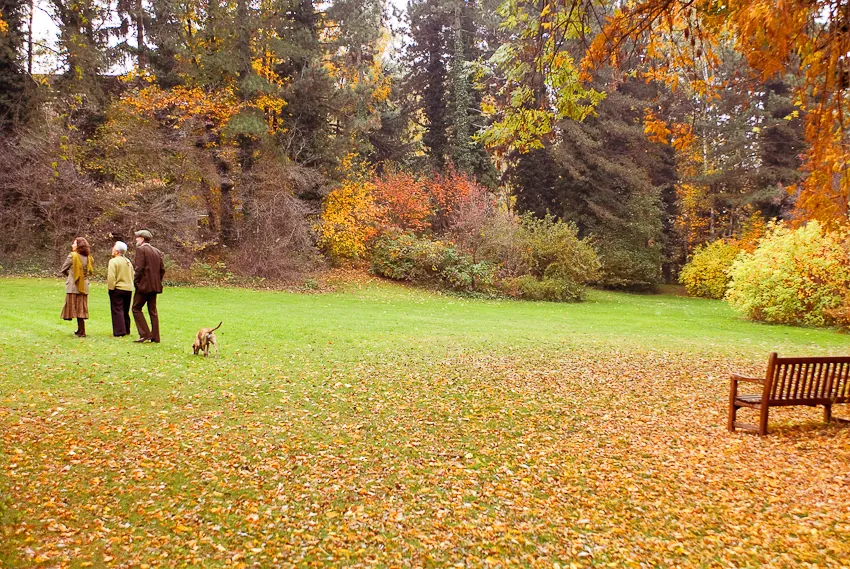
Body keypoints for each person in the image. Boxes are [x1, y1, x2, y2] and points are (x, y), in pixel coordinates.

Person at [132, 229, 165, 343]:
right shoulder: (157, 251)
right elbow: (162, 269)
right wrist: (157, 281)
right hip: (155, 286)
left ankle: (145, 334)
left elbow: (139, 268)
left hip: (144, 286)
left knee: (136, 308)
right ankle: (155, 337)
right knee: (153, 311)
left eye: (138, 237)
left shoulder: (141, 250)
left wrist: (136, 282)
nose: (136, 239)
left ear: (142, 239)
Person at [58, 237, 94, 337]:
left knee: (74, 308)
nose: (72, 245)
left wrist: (70, 276)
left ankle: (81, 331)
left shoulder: (72, 256)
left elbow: (63, 269)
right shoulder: (89, 257)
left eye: (74, 243)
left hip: (73, 286)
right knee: (81, 309)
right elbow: (89, 272)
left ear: (78, 246)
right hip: (84, 286)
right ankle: (81, 330)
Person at [107, 241, 134, 337]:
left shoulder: (113, 261)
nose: (112, 249)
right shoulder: (128, 262)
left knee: (117, 310)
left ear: (117, 251)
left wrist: (111, 288)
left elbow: (111, 277)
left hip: (118, 288)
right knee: (125, 310)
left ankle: (119, 331)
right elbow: (132, 274)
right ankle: (126, 329)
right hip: (128, 289)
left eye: (114, 248)